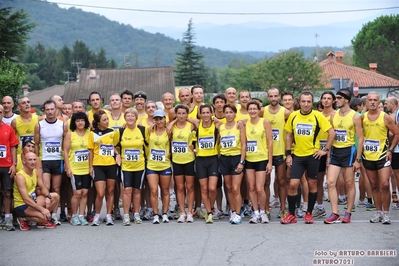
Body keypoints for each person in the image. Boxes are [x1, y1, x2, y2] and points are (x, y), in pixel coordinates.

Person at [282, 91, 335, 225]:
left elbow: (331, 133)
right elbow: (289, 135)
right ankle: (292, 214)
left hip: (313, 156)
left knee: (312, 184)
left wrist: (325, 150)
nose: (306, 104)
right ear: (299, 102)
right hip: (297, 156)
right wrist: (288, 154)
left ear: (312, 102)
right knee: (293, 184)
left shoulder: (318, 116)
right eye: (303, 101)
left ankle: (309, 213)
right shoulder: (293, 116)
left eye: (309, 102)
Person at [324, 89, 364, 224]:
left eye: (339, 98)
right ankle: (335, 213)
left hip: (349, 151)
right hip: (335, 151)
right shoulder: (333, 115)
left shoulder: (355, 116)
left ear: (346, 100)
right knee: (330, 182)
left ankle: (348, 212)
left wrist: (358, 159)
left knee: (349, 183)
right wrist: (328, 154)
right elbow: (331, 136)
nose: (336, 100)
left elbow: (360, 138)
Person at [361, 92, 399, 224]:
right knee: (374, 185)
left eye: (375, 100)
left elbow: (397, 133)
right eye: (370, 100)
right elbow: (359, 136)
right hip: (368, 156)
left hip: (383, 155)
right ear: (366, 103)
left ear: (379, 103)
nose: (372, 102)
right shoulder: (362, 118)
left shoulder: (386, 117)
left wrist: (390, 150)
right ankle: (378, 212)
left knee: (384, 184)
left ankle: (387, 214)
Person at [34, 100, 66, 225]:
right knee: (45, 188)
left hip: (58, 159)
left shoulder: (62, 124)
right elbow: (36, 144)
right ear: (44, 111)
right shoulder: (39, 125)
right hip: (45, 160)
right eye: (47, 109)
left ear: (56, 109)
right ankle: (45, 214)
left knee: (57, 188)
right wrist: (37, 161)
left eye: (52, 109)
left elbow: (65, 144)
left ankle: (54, 215)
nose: (50, 112)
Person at [263, 88, 291, 220]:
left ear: (279, 97)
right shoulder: (262, 111)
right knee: (266, 182)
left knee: (282, 181)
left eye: (275, 96)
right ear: (268, 97)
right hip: (265, 152)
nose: (273, 98)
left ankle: (283, 209)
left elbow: (292, 131)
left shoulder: (286, 112)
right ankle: (266, 208)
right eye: (271, 96)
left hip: (280, 151)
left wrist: (289, 150)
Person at [88, 110, 120, 226]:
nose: (107, 122)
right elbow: (91, 151)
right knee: (100, 193)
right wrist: (90, 166)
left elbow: (115, 147)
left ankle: (108, 215)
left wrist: (117, 155)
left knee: (110, 191)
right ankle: (97, 215)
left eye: (107, 119)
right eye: (104, 120)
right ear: (98, 122)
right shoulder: (92, 134)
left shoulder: (112, 132)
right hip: (98, 165)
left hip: (111, 165)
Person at [190, 104, 221, 223]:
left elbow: (227, 124)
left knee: (212, 189)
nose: (206, 115)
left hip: (213, 159)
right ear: (200, 115)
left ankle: (211, 206)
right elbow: (185, 118)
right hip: (200, 160)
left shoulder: (216, 124)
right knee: (204, 188)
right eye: (203, 113)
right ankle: (208, 212)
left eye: (208, 112)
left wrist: (216, 119)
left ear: (212, 113)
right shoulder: (197, 124)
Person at [14, 152, 60, 230]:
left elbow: (42, 187)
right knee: (44, 217)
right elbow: (25, 199)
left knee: (55, 196)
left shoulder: (35, 171)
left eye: (34, 160)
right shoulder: (20, 176)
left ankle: (39, 219)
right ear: (24, 161)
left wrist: (48, 197)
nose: (33, 162)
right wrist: (42, 209)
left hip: (33, 201)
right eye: (30, 160)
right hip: (22, 205)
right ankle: (22, 218)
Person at [118, 108, 147, 225]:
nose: (130, 118)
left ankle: (136, 214)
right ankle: (126, 215)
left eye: (132, 116)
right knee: (127, 190)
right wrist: (117, 155)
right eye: (128, 116)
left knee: (137, 190)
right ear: (125, 118)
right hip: (126, 166)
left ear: (136, 118)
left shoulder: (142, 130)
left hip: (139, 165)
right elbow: (114, 145)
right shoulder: (120, 131)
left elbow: (149, 143)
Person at [245, 101, 273, 224]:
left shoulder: (265, 122)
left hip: (261, 159)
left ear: (259, 110)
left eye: (254, 109)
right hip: (249, 159)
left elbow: (270, 142)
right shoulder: (245, 123)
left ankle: (263, 212)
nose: (252, 111)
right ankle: (255, 213)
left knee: (260, 188)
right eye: (250, 109)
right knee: (251, 188)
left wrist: (269, 162)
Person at [219, 104, 246, 224]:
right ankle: (233, 210)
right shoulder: (221, 127)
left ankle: (239, 213)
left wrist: (241, 161)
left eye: (231, 112)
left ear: (235, 114)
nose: (229, 115)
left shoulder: (239, 126)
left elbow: (244, 145)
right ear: (223, 114)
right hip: (224, 159)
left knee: (236, 188)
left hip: (236, 158)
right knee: (229, 188)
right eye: (227, 112)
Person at [168, 104, 196, 223]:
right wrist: (175, 120)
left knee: (189, 187)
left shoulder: (191, 125)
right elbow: (168, 130)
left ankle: (190, 212)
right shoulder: (173, 126)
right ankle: (182, 212)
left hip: (189, 159)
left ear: (187, 114)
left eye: (183, 113)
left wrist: (186, 118)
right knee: (179, 187)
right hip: (177, 160)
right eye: (178, 113)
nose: (181, 116)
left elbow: (199, 122)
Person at [63, 112, 91, 226]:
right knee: (77, 193)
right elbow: (65, 151)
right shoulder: (70, 134)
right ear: (74, 122)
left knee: (85, 193)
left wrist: (91, 167)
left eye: (82, 120)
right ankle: (74, 215)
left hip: (87, 168)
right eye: (78, 120)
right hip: (75, 169)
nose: (80, 123)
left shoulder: (89, 133)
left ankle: (81, 215)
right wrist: (68, 167)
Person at [146, 109, 172, 224]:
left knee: (165, 191)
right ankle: (156, 214)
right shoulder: (149, 131)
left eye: (161, 118)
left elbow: (172, 144)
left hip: (165, 164)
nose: (159, 121)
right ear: (154, 120)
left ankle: (165, 213)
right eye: (156, 119)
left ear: (164, 119)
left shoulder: (169, 131)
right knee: (153, 191)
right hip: (152, 165)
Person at [314, 91, 336, 219]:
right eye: (324, 98)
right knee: (318, 180)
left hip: (333, 150)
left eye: (329, 98)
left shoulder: (336, 115)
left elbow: (335, 134)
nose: (326, 100)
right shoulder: (317, 115)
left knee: (333, 181)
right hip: (319, 150)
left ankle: (336, 208)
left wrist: (328, 150)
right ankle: (320, 206)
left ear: (333, 101)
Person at [0, 104, 18, 231]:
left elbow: (13, 147)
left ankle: (7, 218)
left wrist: (14, 164)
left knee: (7, 192)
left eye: (0, 112)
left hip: (6, 165)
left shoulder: (8, 128)